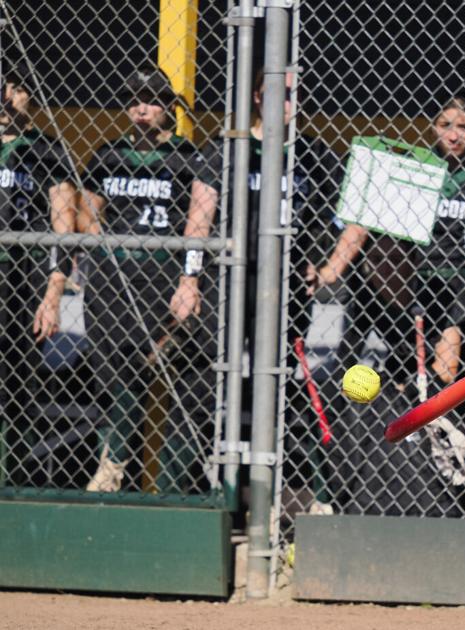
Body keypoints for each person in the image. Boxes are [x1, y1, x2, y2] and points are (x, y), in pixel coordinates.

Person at [314, 94, 465, 517]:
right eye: (445, 124)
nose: (453, 134)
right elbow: (371, 212)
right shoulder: (420, 168)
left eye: (463, 126)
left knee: (461, 381)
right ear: (433, 127)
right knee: (411, 377)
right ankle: (410, 471)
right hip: (420, 281)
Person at [77, 64, 219, 494]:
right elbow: (87, 211)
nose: (141, 109)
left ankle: (143, 477)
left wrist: (188, 280)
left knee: (166, 376)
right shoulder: (108, 153)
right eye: (134, 100)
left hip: (162, 280)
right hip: (114, 282)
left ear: (169, 107)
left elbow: (198, 220)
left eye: (152, 100)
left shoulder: (187, 157)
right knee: (117, 380)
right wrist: (101, 246)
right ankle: (112, 472)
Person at [235, 71, 344, 514]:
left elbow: (349, 211)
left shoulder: (314, 155)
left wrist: (328, 265)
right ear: (257, 97)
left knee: (286, 386)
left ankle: (318, 493)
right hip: (236, 283)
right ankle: (224, 489)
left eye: (291, 95)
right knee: (219, 384)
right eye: (274, 93)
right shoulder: (236, 147)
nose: (283, 103)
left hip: (287, 288)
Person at [0, 63, 78, 486]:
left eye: (16, 89)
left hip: (22, 274)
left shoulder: (46, 149)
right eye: (2, 88)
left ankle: (11, 479)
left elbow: (63, 222)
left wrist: (53, 292)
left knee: (16, 380)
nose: (7, 98)